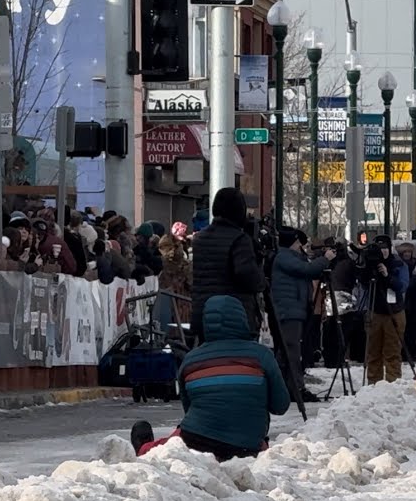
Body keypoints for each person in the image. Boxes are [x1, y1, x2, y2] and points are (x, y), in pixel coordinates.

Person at [132, 295, 290, 461]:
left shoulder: (191, 360)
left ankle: (145, 450)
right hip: (247, 446)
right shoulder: (261, 355)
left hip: (198, 442)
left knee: (169, 448)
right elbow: (281, 405)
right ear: (243, 319)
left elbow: (189, 408)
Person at [190, 187, 267, 339]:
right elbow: (247, 276)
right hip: (235, 315)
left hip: (204, 313)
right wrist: (261, 279)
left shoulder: (200, 239)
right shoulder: (239, 240)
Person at [271, 228, 332, 401]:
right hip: (289, 310)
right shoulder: (284, 258)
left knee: (287, 351)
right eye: (299, 243)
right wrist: (324, 259)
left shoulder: (289, 257)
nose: (301, 247)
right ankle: (296, 388)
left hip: (293, 309)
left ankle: (285, 387)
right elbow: (307, 270)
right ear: (293, 242)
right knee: (291, 350)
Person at [360, 234, 409, 384]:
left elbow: (402, 286)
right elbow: (363, 284)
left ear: (390, 249)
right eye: (380, 249)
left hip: (394, 312)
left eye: (385, 248)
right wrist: (367, 268)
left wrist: (387, 276)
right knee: (373, 351)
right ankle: (373, 383)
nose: (383, 252)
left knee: (392, 351)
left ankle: (392, 383)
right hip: (374, 311)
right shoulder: (369, 264)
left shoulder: (399, 265)